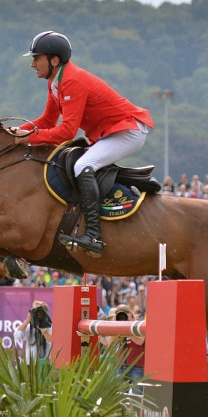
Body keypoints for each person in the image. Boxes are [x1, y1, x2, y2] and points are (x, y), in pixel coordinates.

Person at [13, 31, 153, 257]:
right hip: (111, 132)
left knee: (81, 166)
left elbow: (67, 131)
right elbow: (47, 121)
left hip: (128, 131)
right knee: (80, 163)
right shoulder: (55, 82)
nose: (32, 64)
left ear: (54, 61)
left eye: (36, 58)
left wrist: (29, 138)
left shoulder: (72, 81)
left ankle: (94, 236)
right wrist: (17, 132)